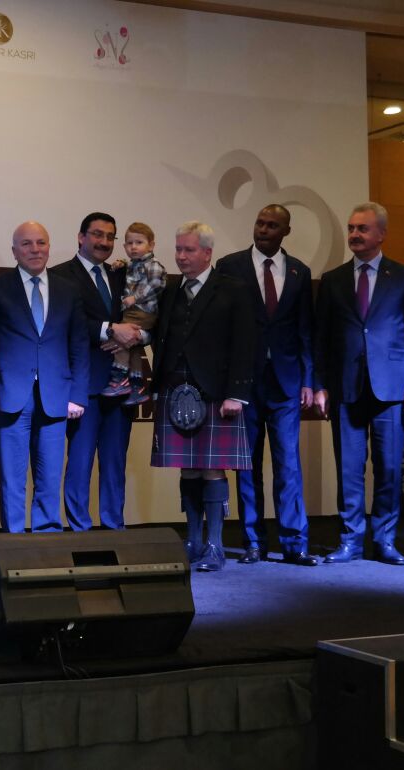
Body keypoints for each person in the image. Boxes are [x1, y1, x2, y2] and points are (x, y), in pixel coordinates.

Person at [314, 202, 404, 565]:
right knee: (349, 468)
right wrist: (320, 384)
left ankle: (384, 540)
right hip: (346, 387)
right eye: (351, 228)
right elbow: (321, 338)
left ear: (381, 234)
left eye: (362, 228)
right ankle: (350, 540)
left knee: (389, 468)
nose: (355, 234)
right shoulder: (333, 279)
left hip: (391, 388)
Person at [214, 204, 318, 566]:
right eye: (260, 223)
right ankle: (253, 542)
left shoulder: (299, 271)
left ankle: (294, 543)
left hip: (286, 383)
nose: (263, 229)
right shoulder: (230, 266)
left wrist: (309, 379)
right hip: (244, 383)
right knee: (247, 466)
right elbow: (223, 329)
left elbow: (306, 330)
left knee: (288, 463)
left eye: (273, 225)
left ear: (285, 231)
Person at [151, 222, 256, 571]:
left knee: (212, 468)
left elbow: (245, 344)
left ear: (208, 253)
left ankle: (215, 545)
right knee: (188, 469)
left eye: (189, 250)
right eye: (178, 249)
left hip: (216, 392)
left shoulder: (233, 289)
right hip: (176, 389)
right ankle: (193, 540)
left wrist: (237, 393)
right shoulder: (170, 290)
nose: (181, 256)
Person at [0, 222, 88, 533]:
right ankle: (13, 544)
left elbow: (79, 345)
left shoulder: (68, 289)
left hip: (56, 397)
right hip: (9, 397)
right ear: (14, 251)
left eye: (41, 243)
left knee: (49, 477)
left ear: (48, 247)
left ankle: (47, 541)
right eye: (26, 244)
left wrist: (78, 395)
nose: (35, 249)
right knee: (12, 479)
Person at [51, 213, 144, 531]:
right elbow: (63, 323)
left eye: (110, 236)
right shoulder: (59, 276)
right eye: (97, 234)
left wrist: (132, 335)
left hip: (121, 383)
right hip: (83, 386)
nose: (104, 242)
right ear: (81, 237)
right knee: (79, 462)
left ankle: (114, 529)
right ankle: (80, 530)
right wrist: (109, 330)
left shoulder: (123, 275)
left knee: (115, 462)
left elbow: (142, 313)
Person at [102, 222, 165, 406]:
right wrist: (121, 263)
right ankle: (137, 386)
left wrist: (135, 297)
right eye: (129, 243)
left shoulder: (153, 265)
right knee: (135, 348)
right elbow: (129, 271)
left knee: (122, 337)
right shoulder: (133, 264)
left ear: (151, 245)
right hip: (134, 311)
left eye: (139, 242)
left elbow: (155, 285)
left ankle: (119, 379)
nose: (134, 247)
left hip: (142, 312)